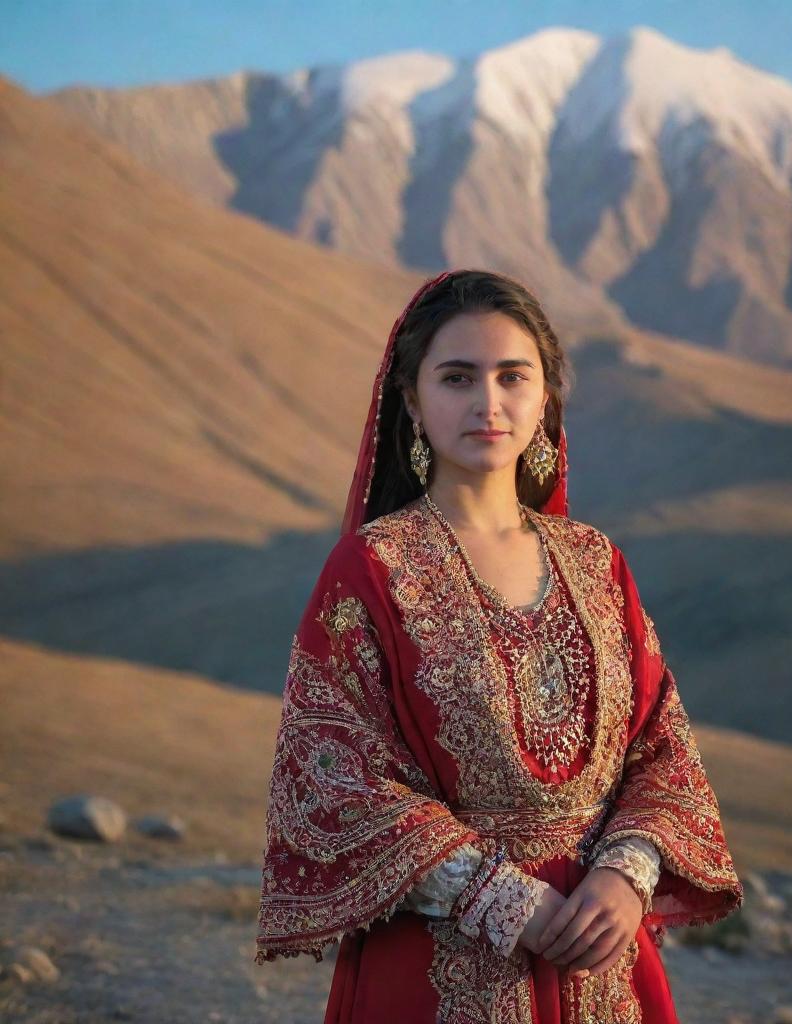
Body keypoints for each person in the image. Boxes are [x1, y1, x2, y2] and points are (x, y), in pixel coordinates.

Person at [254, 268, 744, 1023]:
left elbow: (661, 748)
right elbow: (329, 778)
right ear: (412, 402)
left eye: (513, 376)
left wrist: (624, 875)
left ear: (545, 398)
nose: (489, 403)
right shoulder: (374, 568)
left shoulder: (596, 562)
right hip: (437, 964)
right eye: (457, 378)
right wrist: (497, 896)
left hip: (603, 953)